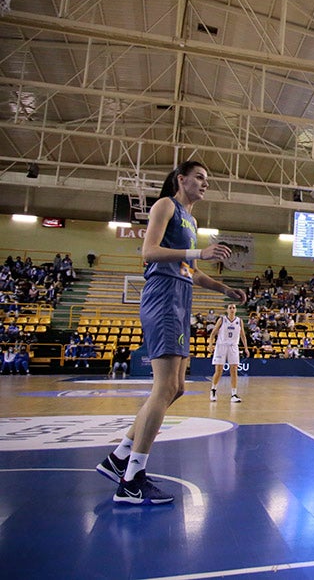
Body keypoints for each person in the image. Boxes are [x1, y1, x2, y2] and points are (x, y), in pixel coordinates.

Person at [95, 161, 245, 506]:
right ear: (181, 180)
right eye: (200, 178)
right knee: (164, 386)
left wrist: (223, 287)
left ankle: (119, 456)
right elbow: (149, 252)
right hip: (162, 296)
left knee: (176, 388)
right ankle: (132, 479)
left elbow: (189, 270)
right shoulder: (166, 205)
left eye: (208, 179)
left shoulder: (191, 221)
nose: (205, 184)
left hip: (180, 299)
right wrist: (199, 252)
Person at [207, 303, 249, 403]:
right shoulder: (222, 320)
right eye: (230, 308)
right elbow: (213, 333)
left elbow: (243, 335)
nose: (232, 309)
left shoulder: (239, 321)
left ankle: (234, 394)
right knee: (219, 370)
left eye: (234, 308)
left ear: (236, 310)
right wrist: (210, 345)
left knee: (234, 370)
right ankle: (213, 390)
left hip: (233, 346)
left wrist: (246, 348)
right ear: (227, 310)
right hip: (221, 346)